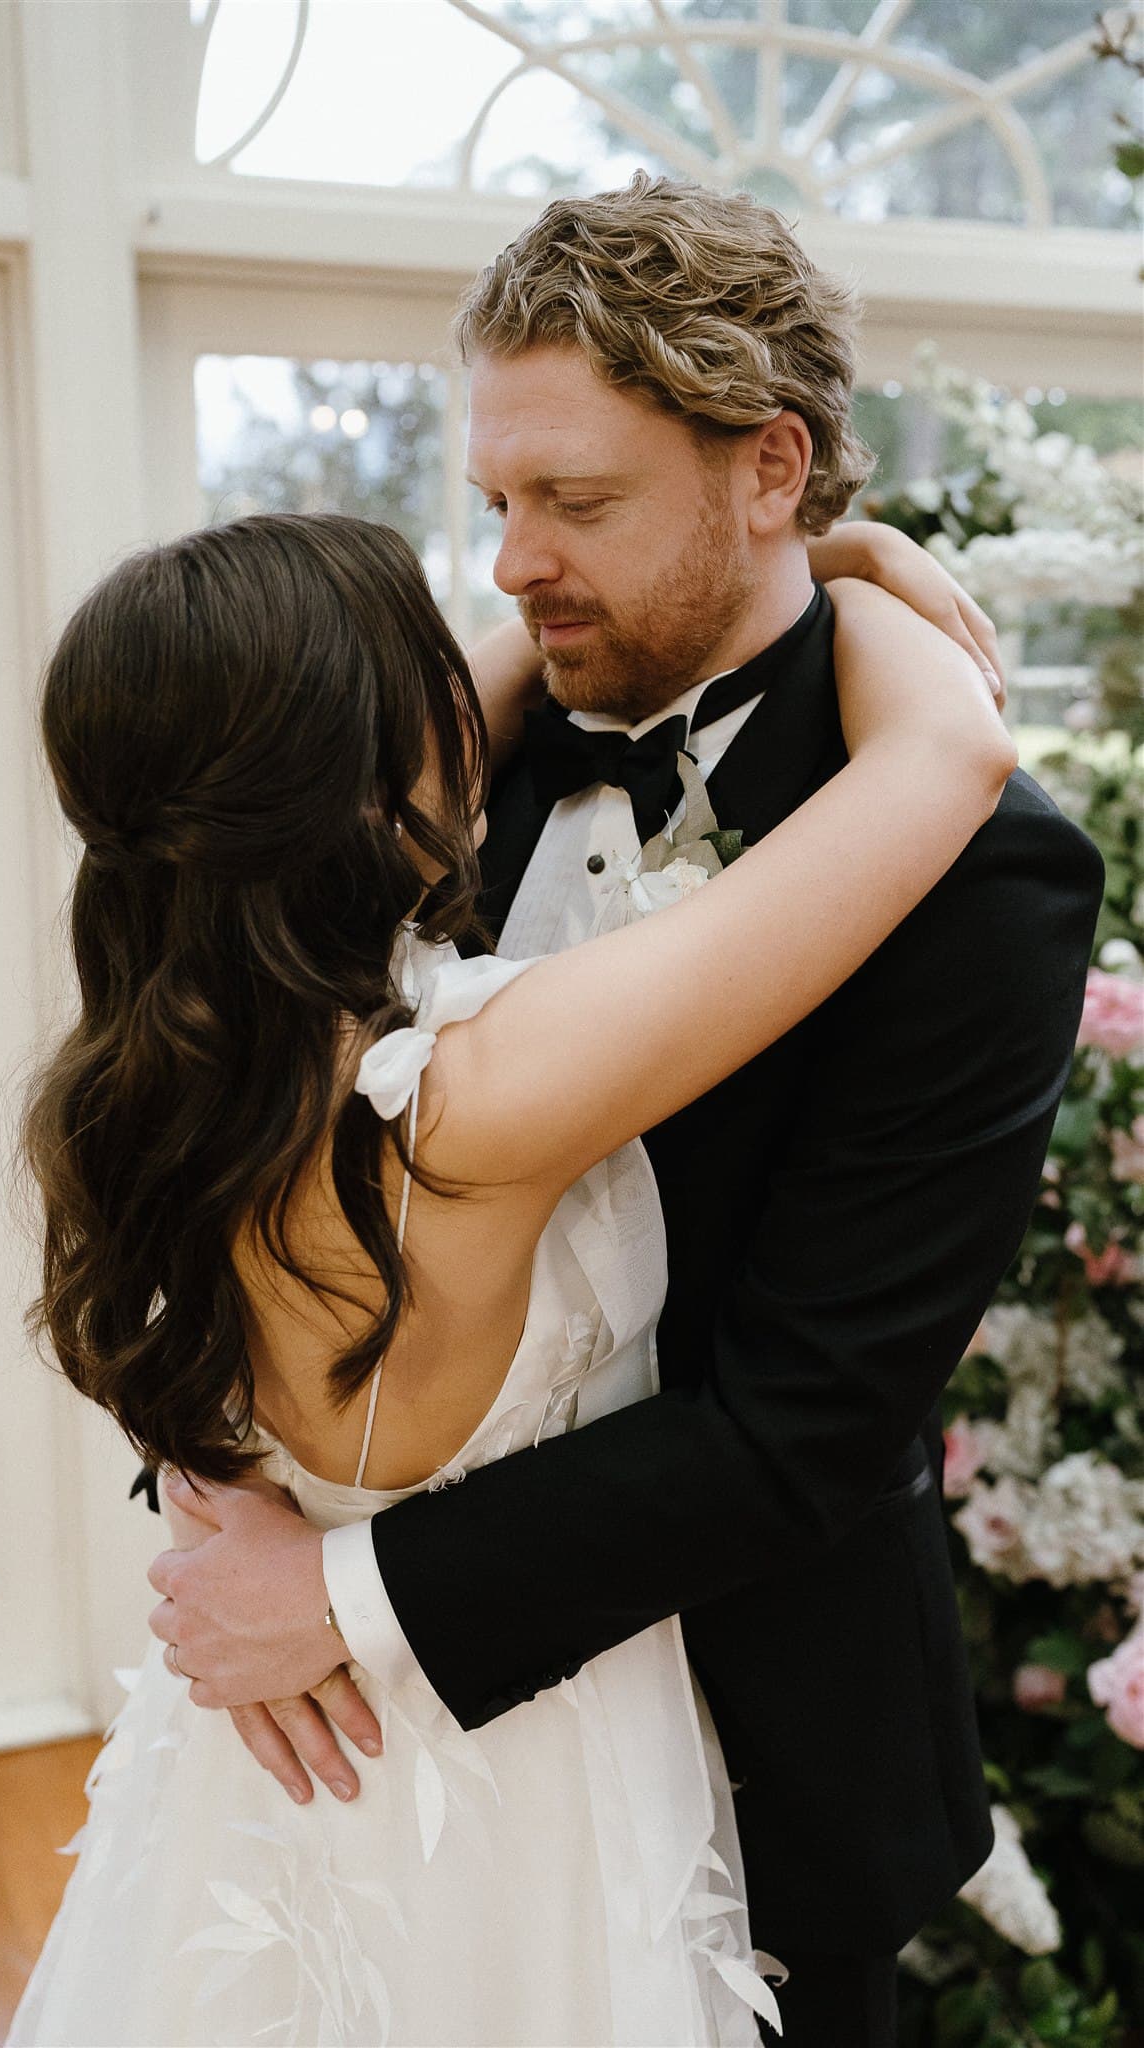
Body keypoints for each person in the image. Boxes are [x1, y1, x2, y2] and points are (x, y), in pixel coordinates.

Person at [138, 179, 1104, 2048]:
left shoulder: (979, 869)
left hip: (758, 1759)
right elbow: (211, 1120)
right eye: (496, 500)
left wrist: (347, 1594)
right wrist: (219, 1503)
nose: (510, 563)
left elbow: (813, 1417)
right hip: (367, 1756)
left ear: (771, 469)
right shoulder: (427, 770)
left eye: (573, 502)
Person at [8, 480, 1014, 2045]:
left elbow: (419, 719)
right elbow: (949, 758)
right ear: (364, 773)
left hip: (280, 1774)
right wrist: (859, 567)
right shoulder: (473, 1086)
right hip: (531, 1783)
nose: (491, 627)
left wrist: (764, 552)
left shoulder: (151, 1073)